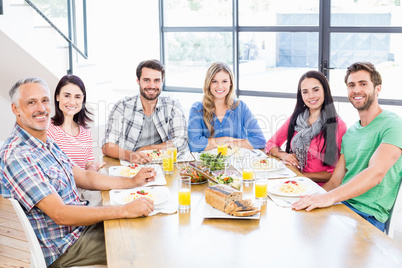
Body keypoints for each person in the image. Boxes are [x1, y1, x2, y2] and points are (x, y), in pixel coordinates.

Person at [0, 77, 156, 267]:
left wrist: (133, 181)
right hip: (65, 248)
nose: (41, 108)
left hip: (80, 229)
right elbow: (61, 214)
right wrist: (124, 209)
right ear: (15, 109)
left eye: (44, 100)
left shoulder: (45, 142)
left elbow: (84, 176)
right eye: (31, 102)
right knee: (143, 244)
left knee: (145, 224)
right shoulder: (18, 156)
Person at [292, 62, 402, 231]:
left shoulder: (393, 124)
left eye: (363, 84)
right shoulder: (351, 134)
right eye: (351, 85)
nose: (356, 90)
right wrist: (311, 198)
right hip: (341, 207)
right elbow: (335, 181)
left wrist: (328, 198)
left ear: (378, 88)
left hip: (367, 216)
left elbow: (376, 173)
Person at [265, 71, 347, 186]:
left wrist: (300, 175)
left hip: (320, 189)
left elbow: (335, 173)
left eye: (316, 90)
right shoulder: (296, 119)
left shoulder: (338, 126)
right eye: (305, 92)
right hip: (293, 183)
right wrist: (285, 155)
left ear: (325, 91)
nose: (311, 96)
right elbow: (271, 143)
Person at [102, 59, 188, 163]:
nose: (152, 86)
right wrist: (130, 155)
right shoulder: (123, 106)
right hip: (130, 164)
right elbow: (107, 146)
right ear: (138, 81)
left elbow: (181, 141)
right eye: (146, 80)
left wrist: (147, 149)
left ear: (162, 81)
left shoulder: (172, 105)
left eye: (156, 80)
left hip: (162, 164)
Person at [188, 62, 266, 152]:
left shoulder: (240, 107)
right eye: (214, 81)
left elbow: (260, 141)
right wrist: (224, 140)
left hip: (237, 162)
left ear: (230, 83)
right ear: (208, 83)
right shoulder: (197, 109)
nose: (220, 86)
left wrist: (227, 141)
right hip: (209, 164)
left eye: (224, 81)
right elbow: (194, 144)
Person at [47, 74, 104, 171]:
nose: (72, 102)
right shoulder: (48, 130)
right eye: (67, 96)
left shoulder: (86, 132)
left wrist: (94, 167)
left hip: (82, 185)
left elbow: (87, 168)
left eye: (77, 97)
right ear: (57, 97)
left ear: (82, 99)